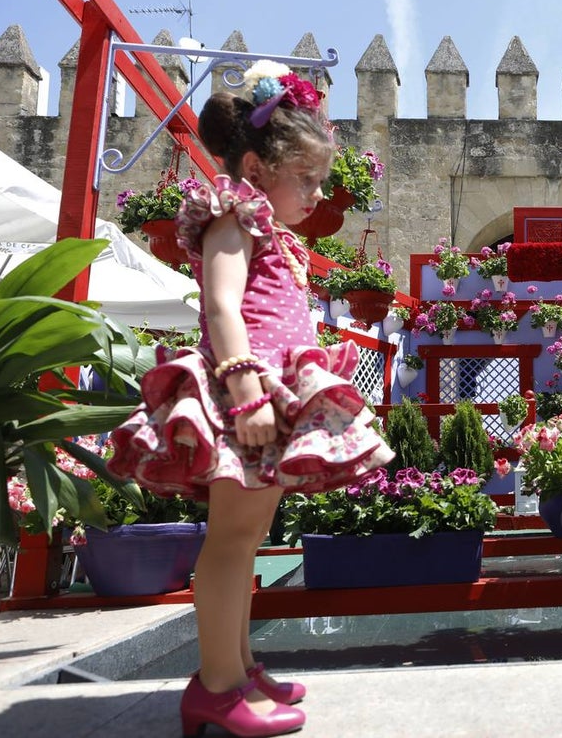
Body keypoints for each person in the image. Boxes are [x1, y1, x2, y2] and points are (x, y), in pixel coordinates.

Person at [107, 60, 393, 737]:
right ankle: (217, 685)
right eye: (307, 178)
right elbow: (220, 305)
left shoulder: (270, 231)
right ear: (258, 168)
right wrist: (244, 390)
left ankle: (236, 667)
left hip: (268, 395)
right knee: (231, 541)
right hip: (247, 397)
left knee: (247, 538)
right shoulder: (232, 219)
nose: (318, 194)